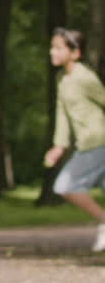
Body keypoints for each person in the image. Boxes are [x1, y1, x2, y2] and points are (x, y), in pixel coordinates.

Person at [43, 26, 105, 253]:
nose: (52, 52)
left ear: (75, 53)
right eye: (52, 47)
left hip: (97, 140)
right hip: (88, 143)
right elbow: (62, 114)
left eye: (58, 48)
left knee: (65, 186)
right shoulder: (63, 79)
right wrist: (59, 146)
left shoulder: (84, 77)